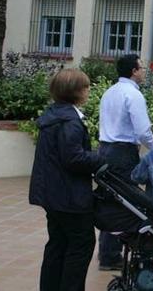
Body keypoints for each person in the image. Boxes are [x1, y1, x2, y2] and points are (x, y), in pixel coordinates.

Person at [29, 69, 104, 291]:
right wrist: (99, 157)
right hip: (69, 196)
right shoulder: (69, 121)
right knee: (80, 245)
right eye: (86, 87)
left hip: (52, 194)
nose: (89, 91)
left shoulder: (53, 115)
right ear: (75, 91)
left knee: (58, 244)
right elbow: (73, 158)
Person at [97, 53, 153, 271]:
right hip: (122, 153)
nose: (143, 71)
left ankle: (107, 252)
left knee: (109, 200)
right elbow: (143, 131)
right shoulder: (133, 95)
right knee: (125, 203)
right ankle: (112, 255)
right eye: (141, 67)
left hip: (104, 149)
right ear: (133, 71)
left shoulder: (110, 92)